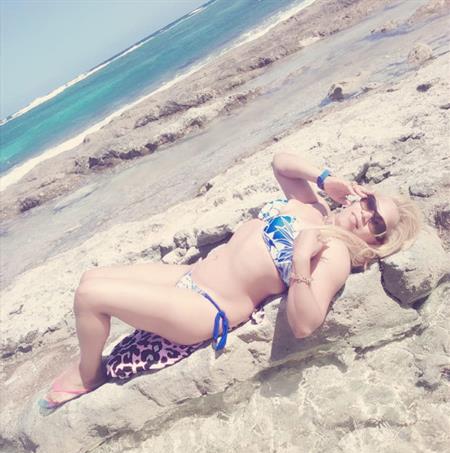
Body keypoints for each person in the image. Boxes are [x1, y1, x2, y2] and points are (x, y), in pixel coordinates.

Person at [39, 152, 422, 410]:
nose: (365, 215)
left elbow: (305, 323)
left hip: (207, 307)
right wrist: (326, 179)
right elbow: (281, 162)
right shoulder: (314, 207)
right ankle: (92, 363)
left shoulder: (334, 249)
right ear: (360, 196)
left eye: (376, 224)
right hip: (188, 275)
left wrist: (301, 259)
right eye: (369, 204)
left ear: (375, 241)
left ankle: (89, 373)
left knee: (90, 296)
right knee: (90, 277)